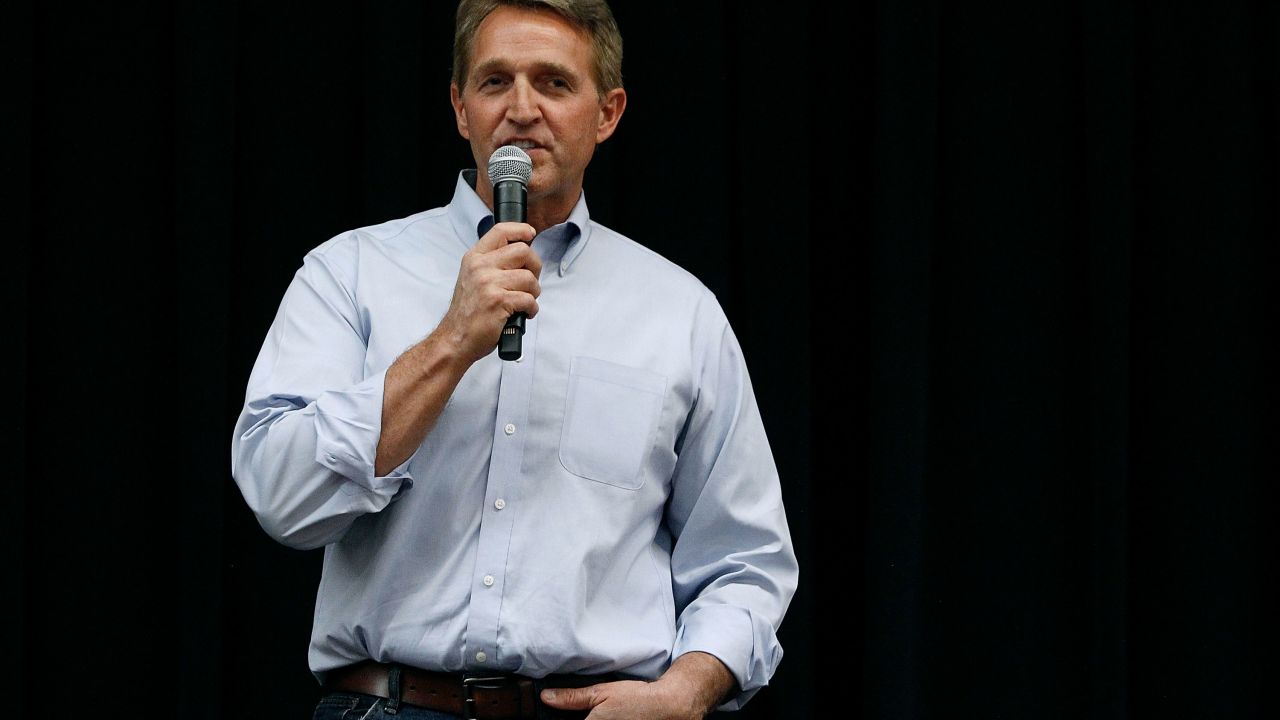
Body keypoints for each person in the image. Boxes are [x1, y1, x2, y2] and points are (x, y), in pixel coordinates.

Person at [230, 1, 797, 718]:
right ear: (460, 108)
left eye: (554, 84)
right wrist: (451, 342)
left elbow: (746, 561)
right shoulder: (351, 274)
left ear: (608, 113)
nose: (522, 108)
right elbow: (283, 498)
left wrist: (685, 692)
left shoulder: (678, 312)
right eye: (496, 81)